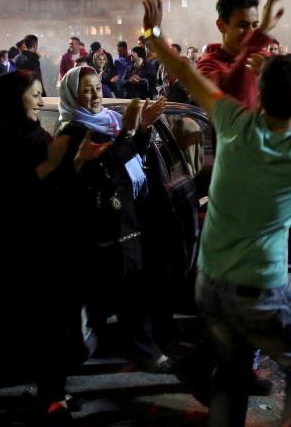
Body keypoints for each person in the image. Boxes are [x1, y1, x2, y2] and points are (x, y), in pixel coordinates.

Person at [140, 0, 291, 427]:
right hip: (261, 287)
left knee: (230, 374)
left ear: (260, 96)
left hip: (210, 282)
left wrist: (153, 35)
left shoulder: (232, 121)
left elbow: (182, 70)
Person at [0, 70, 89, 418]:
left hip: (54, 244)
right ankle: (51, 400)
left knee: (61, 324)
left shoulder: (35, 133)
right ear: (11, 99)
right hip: (22, 249)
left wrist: (79, 160)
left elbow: (56, 184)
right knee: (42, 327)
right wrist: (51, 162)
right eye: (34, 94)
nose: (40, 101)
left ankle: (55, 392)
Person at [57, 67, 172, 377]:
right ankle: (134, 351)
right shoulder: (72, 131)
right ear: (72, 95)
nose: (95, 96)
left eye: (97, 88)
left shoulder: (109, 120)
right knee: (117, 290)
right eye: (86, 91)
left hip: (125, 216)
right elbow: (103, 162)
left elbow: (130, 153)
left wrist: (141, 128)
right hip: (100, 223)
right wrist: (135, 129)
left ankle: (136, 347)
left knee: (130, 287)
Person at [196, 0, 275, 111]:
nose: (250, 32)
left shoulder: (265, 58)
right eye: (242, 25)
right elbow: (229, 98)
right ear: (221, 26)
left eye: (255, 25)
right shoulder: (208, 66)